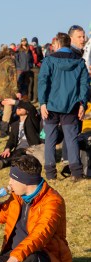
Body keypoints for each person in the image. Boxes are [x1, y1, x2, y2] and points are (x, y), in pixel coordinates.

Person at [38, 32, 89, 181]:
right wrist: (82, 103)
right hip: (71, 105)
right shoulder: (79, 62)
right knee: (71, 138)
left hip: (51, 105)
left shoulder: (49, 60)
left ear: (58, 44)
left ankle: (50, 173)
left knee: (50, 139)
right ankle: (76, 173)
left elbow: (43, 82)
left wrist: (42, 103)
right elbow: (84, 85)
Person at [0, 100, 42, 170]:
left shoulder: (32, 120)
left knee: (19, 154)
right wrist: (7, 148)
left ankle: (5, 163)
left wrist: (15, 102)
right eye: (18, 107)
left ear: (27, 111)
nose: (19, 108)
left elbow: (32, 108)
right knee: (3, 156)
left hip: (31, 148)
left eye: (21, 107)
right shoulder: (15, 124)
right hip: (18, 149)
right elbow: (11, 139)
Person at [0, 47, 21, 137]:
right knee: (7, 111)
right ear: (11, 55)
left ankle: (5, 129)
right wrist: (16, 91)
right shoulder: (10, 62)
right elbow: (13, 78)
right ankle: (3, 132)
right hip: (7, 90)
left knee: (3, 111)